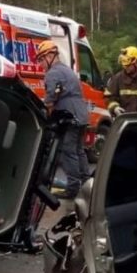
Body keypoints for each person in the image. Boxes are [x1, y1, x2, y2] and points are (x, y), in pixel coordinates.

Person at [37, 40, 89, 200]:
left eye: (41, 60)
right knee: (79, 150)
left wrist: (42, 106)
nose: (40, 64)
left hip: (69, 116)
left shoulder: (53, 73)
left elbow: (51, 97)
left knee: (69, 151)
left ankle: (73, 188)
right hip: (80, 115)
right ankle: (87, 182)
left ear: (50, 56)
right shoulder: (67, 70)